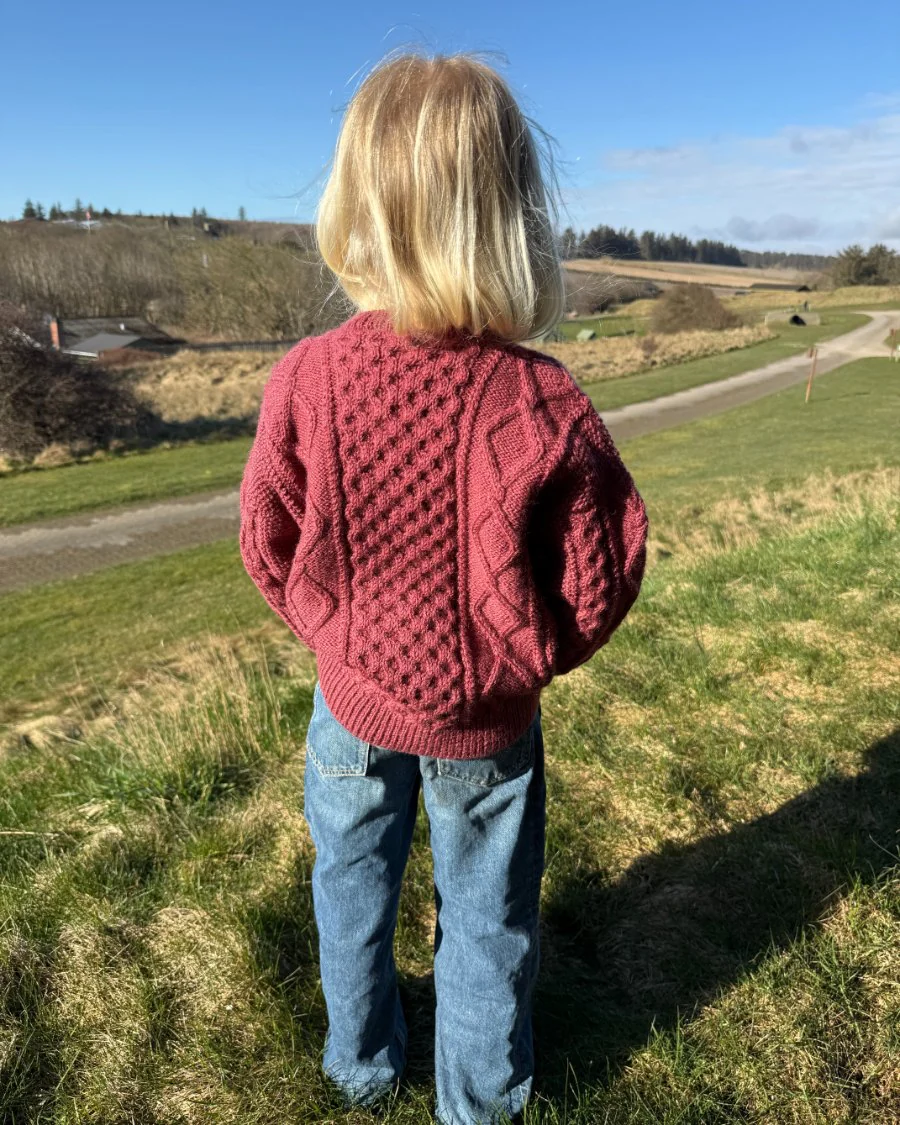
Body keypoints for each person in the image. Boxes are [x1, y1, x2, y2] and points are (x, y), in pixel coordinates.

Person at [239, 51, 648, 1125]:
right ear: (513, 214)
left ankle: (359, 1066)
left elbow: (268, 540)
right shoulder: (542, 398)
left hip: (349, 700)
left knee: (349, 886)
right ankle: (480, 1102)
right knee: (489, 915)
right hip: (489, 721)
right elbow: (603, 569)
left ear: (357, 206)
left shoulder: (308, 376)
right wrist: (526, 656)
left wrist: (334, 631)